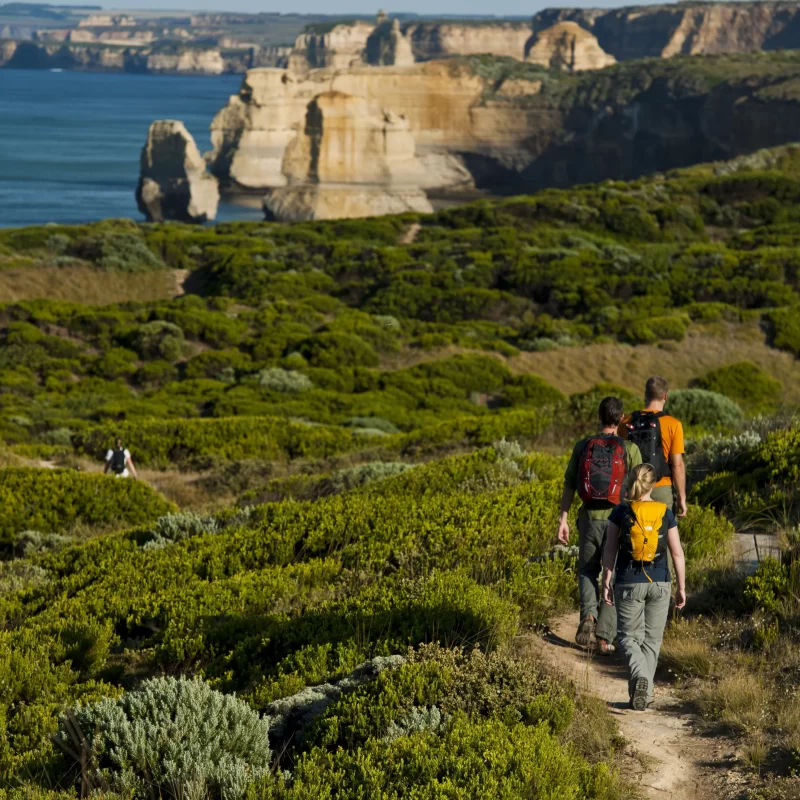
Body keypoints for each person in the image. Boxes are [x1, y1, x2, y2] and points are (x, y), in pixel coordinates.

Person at [557, 396, 642, 654]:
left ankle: (588, 617)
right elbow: (639, 489)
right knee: (612, 573)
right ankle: (605, 638)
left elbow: (570, 484)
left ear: (599, 416)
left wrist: (563, 518)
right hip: (617, 520)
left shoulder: (583, 445)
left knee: (586, 571)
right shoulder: (630, 449)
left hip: (588, 519)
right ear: (621, 418)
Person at [601, 463, 686, 710]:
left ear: (631, 482)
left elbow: (610, 549)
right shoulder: (665, 512)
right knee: (651, 642)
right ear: (653, 485)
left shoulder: (620, 512)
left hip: (628, 582)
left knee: (628, 638)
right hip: (660, 582)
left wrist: (606, 577)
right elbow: (677, 553)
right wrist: (681, 586)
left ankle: (640, 680)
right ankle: (643, 696)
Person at [618, 376, 687, 519]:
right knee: (664, 536)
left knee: (633, 536)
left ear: (645, 394)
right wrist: (682, 496)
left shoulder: (627, 421)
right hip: (661, 489)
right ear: (665, 396)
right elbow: (677, 465)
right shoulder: (673, 424)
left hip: (634, 489)